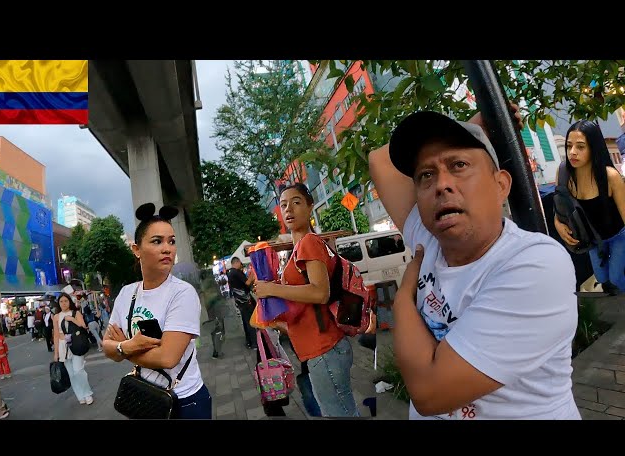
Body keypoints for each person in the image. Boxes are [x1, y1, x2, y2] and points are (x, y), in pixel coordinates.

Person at [368, 107, 580, 419]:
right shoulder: (430, 240)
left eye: (459, 165)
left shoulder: (535, 264)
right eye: (426, 175)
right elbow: (378, 161)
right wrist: (473, 125)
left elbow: (429, 393)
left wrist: (402, 301)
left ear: (501, 186)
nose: (442, 184)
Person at [254, 183, 360, 417]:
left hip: (324, 348)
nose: (289, 209)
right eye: (283, 205)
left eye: (297, 202)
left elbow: (319, 293)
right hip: (321, 348)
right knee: (342, 410)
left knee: (339, 413)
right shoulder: (300, 246)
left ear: (310, 207)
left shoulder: (309, 243)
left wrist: (271, 288)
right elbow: (305, 304)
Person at [102, 203, 211, 419]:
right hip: (146, 397)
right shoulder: (126, 294)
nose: (167, 248)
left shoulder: (182, 294)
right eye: (156, 241)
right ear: (136, 250)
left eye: (171, 241)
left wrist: (124, 348)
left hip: (186, 402)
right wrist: (127, 346)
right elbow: (106, 346)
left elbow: (168, 358)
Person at [553, 120, 625, 294]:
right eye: (569, 146)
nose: (572, 152)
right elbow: (560, 208)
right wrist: (558, 225)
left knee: (616, 278)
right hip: (591, 238)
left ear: (593, 148)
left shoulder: (610, 176)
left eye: (580, 147)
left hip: (617, 236)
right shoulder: (563, 173)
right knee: (601, 278)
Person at [53, 293, 95, 405]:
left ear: (69, 302)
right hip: (63, 347)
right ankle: (80, 395)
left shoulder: (76, 313)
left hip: (76, 343)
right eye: (61, 301)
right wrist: (56, 353)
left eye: (65, 301)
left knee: (78, 371)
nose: (63, 303)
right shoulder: (56, 317)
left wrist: (72, 319)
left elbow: (83, 327)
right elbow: (56, 335)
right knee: (71, 374)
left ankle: (87, 394)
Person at [227, 257, 257, 349]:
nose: (241, 265)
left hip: (240, 301)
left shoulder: (230, 273)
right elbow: (247, 283)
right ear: (237, 262)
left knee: (245, 321)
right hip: (245, 300)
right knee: (250, 321)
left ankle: (249, 342)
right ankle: (254, 343)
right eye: (240, 263)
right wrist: (253, 273)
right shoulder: (236, 272)